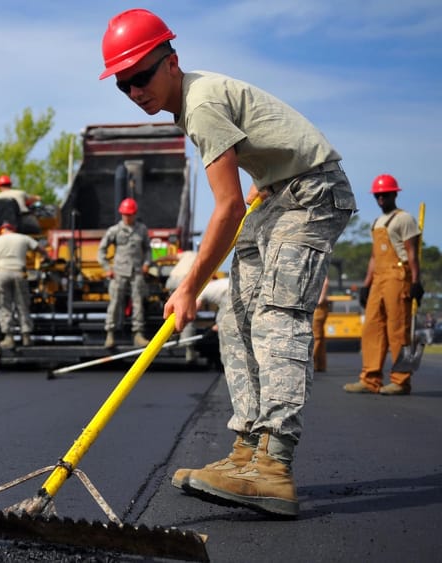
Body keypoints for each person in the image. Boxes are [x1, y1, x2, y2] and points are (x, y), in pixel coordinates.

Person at [99, 9, 355, 516]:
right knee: (235, 315)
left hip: (312, 194)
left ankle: (273, 464)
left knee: (277, 314)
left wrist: (189, 286)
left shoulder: (200, 104)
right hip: (279, 192)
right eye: (123, 84)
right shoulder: (190, 104)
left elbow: (228, 207)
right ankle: (247, 450)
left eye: (141, 76)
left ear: (171, 62)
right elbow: (259, 152)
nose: (134, 91)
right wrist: (267, 175)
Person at [344, 174, 422, 396]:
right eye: (377, 195)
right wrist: (366, 284)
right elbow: (373, 257)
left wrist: (416, 281)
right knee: (372, 328)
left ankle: (401, 380)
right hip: (378, 278)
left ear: (394, 194)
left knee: (397, 329)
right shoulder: (377, 222)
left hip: (398, 275)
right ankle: (370, 379)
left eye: (385, 195)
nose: (381, 199)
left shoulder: (404, 219)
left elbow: (412, 253)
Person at [0, 222, 49, 349]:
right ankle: (26, 336)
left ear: (1, 231)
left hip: (1, 273)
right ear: (13, 230)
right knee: (22, 304)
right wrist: (46, 257)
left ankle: (9, 337)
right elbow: (40, 248)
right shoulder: (23, 238)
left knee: (4, 305)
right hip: (19, 272)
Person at [98, 197, 151, 348]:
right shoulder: (114, 230)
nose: (127, 217)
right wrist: (107, 268)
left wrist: (147, 263)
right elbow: (101, 250)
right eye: (125, 214)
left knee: (138, 303)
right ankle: (110, 334)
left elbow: (148, 250)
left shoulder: (142, 230)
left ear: (135, 214)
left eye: (130, 214)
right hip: (119, 272)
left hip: (136, 272)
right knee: (114, 303)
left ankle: (138, 334)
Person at [312, 277, 331, 373]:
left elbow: (325, 281)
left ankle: (312, 362)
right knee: (319, 336)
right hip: (320, 305)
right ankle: (319, 364)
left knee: (316, 336)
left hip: (318, 306)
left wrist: (320, 299)